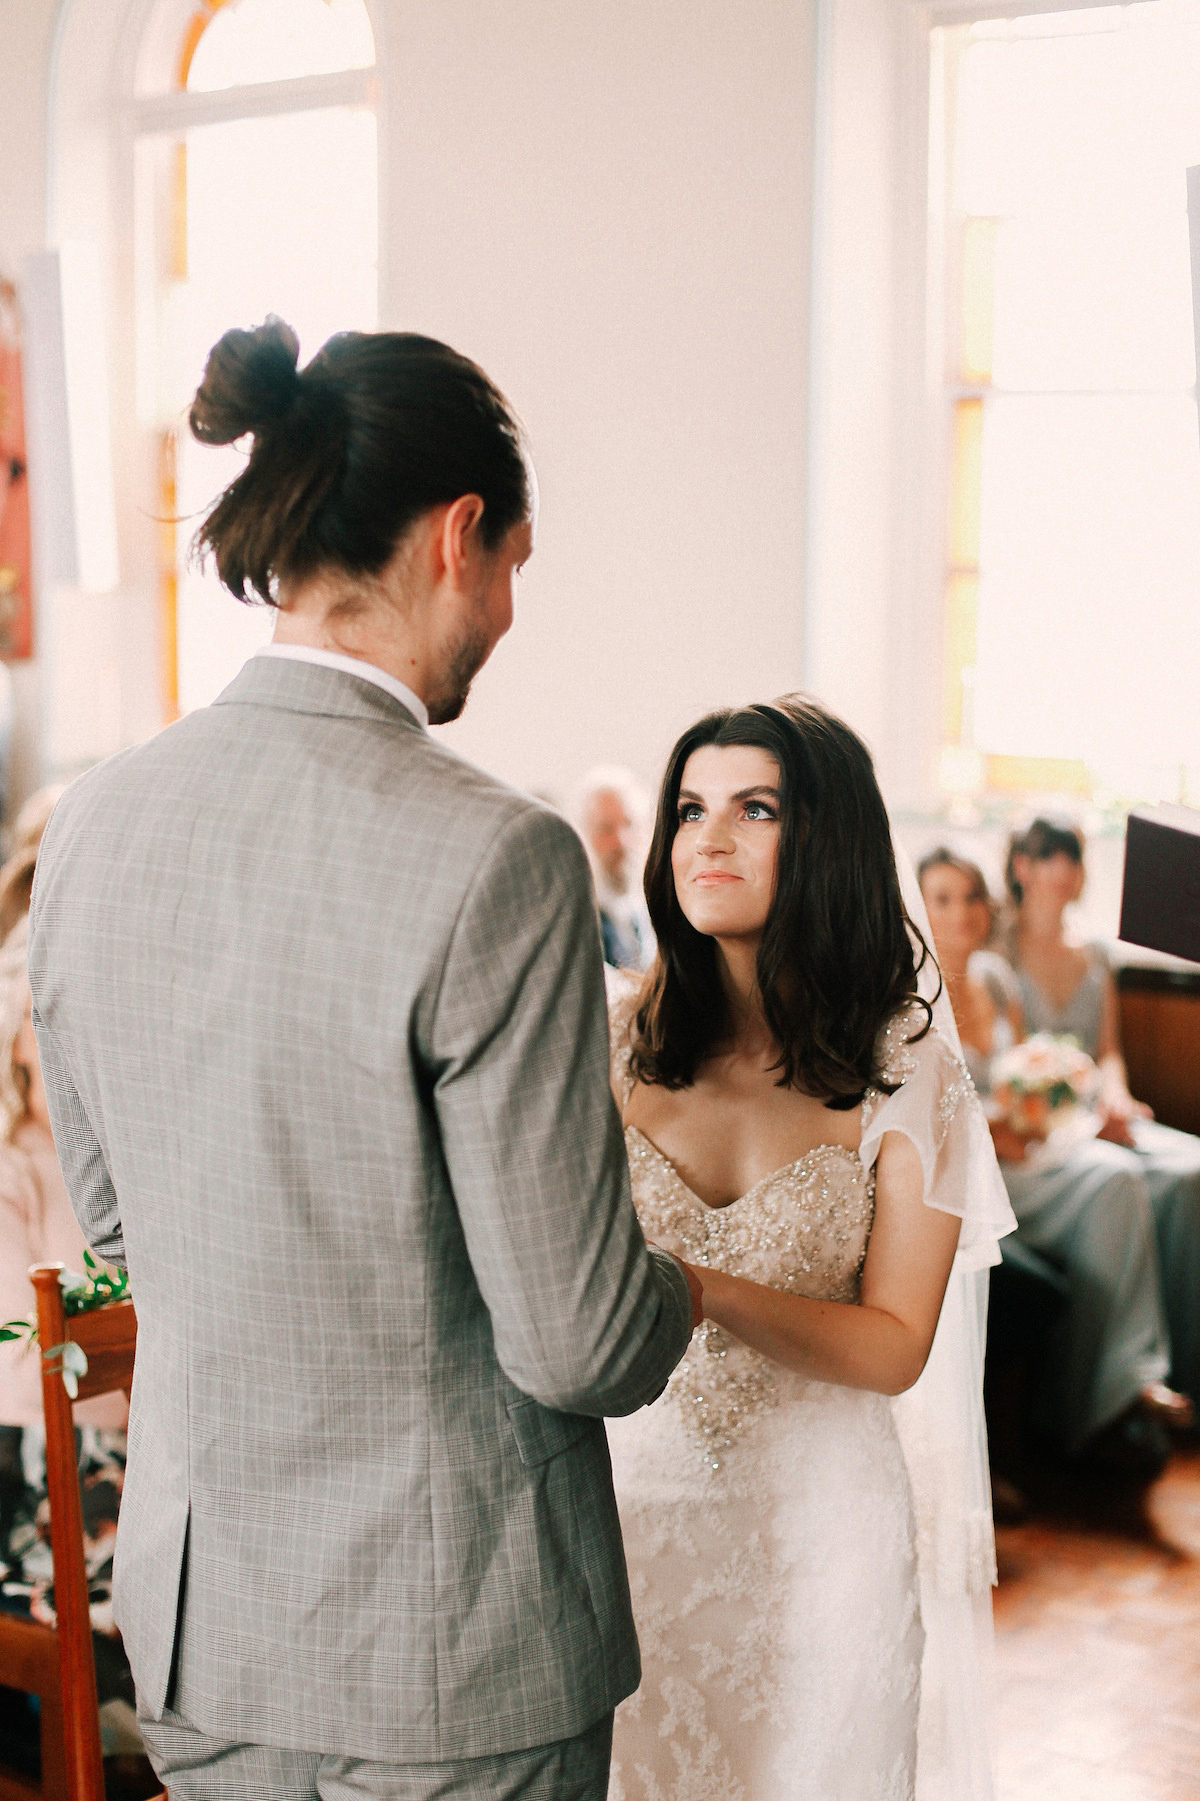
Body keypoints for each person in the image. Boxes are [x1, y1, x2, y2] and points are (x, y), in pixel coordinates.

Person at [28, 317, 698, 1801]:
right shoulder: (497, 856)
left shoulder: (91, 827)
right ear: (460, 535)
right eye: (518, 564)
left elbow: (128, 1234)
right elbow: (580, 1338)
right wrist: (688, 1280)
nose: (510, 610)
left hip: (209, 1627)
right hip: (451, 1649)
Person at [605, 698, 1014, 1801]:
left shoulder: (905, 1062)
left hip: (823, 1531)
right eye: (689, 809)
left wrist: (703, 1289)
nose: (709, 838)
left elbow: (893, 1346)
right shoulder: (608, 1044)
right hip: (625, 1521)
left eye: (754, 808)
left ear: (824, 839)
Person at [919, 846, 1189, 1466]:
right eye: (943, 899)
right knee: (1116, 1180)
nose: (962, 912)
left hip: (1027, 1152)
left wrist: (1038, 1102)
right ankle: (1113, 1391)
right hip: (969, 1166)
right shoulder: (911, 989)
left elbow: (1024, 1073)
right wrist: (990, 1122)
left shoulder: (994, 977)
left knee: (1123, 1182)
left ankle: (1108, 1395)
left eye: (971, 897)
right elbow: (918, 1097)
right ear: (918, 906)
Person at [1005, 818, 1200, 1416]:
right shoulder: (996, 952)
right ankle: (1121, 1387)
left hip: (1097, 1107)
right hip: (1039, 1120)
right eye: (1050, 857)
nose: (1063, 870)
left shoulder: (1094, 953)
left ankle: (1186, 1371)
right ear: (1022, 868)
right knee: (1120, 1175)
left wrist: (1116, 1096)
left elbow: (1107, 1050)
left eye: (1073, 857)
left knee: (1190, 1169)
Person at [0, 919, 135, 1755]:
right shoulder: (11, 1168)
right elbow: (20, 1346)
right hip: (34, 1445)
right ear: (16, 1048)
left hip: (128, 1436)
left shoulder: (118, 1164)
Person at [573, 767, 654, 970]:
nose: (620, 842)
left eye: (629, 824)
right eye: (605, 829)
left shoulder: (652, 909)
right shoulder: (578, 921)